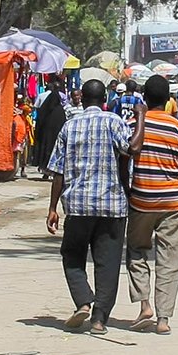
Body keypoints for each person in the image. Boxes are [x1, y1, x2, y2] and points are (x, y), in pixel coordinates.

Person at [45, 78, 131, 333]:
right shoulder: (115, 122)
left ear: (81, 98)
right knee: (108, 262)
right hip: (111, 205)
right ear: (105, 98)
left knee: (72, 255)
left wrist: (52, 208)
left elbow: (58, 171)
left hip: (78, 205)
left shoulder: (69, 127)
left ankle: (83, 300)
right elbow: (129, 149)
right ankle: (99, 319)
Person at [124, 74, 178, 335]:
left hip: (141, 198)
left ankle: (144, 305)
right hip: (172, 200)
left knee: (137, 250)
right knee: (170, 260)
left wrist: (127, 191)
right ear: (167, 101)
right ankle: (163, 319)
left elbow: (125, 158)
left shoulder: (133, 123)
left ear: (145, 98)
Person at [31, 75, 67, 178]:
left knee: (46, 151)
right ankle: (53, 172)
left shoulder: (45, 110)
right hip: (57, 140)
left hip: (46, 139)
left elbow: (39, 122)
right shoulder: (61, 111)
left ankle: (45, 171)